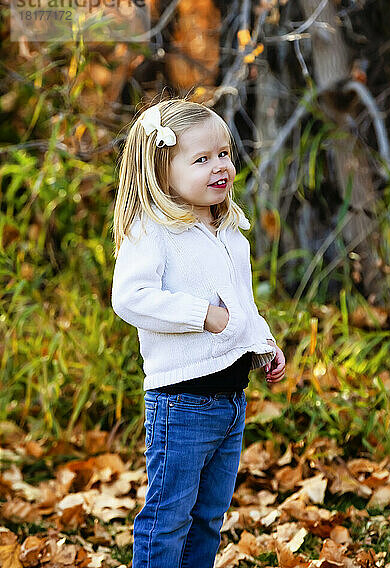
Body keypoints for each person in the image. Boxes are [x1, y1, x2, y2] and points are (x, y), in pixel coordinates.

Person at [111, 97, 286, 568]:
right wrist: (198, 313)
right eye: (202, 159)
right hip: (182, 402)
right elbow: (129, 297)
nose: (220, 166)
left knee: (209, 516)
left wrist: (263, 343)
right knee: (169, 516)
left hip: (231, 401)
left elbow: (242, 305)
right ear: (162, 170)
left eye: (225, 154)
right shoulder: (151, 231)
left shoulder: (229, 229)